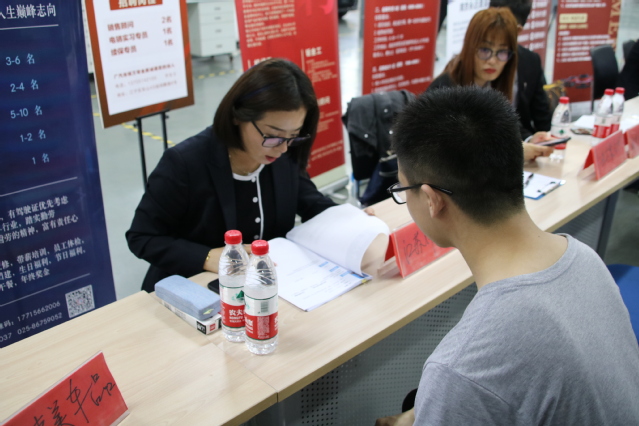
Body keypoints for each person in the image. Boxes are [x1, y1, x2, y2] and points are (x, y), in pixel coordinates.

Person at [376, 86, 639, 425]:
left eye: (403, 189)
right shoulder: (584, 257)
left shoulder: (461, 368)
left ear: (431, 200)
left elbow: (476, 385)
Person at [127, 58, 336, 292]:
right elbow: (143, 236)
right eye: (272, 135)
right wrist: (207, 257)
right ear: (238, 115)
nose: (283, 148)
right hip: (195, 289)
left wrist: (351, 219)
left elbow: (312, 203)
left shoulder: (283, 155)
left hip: (265, 288)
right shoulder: (185, 163)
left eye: (294, 135)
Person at [428, 8, 553, 162]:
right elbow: (449, 152)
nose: (492, 60)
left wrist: (531, 140)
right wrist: (512, 152)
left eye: (502, 52)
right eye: (484, 50)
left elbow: (507, 127)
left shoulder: (493, 84)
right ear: (470, 47)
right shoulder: (445, 90)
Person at [490, 0, 553, 139]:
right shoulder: (472, 65)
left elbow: (541, 114)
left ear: (518, 30)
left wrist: (545, 140)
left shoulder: (530, 61)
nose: (492, 60)